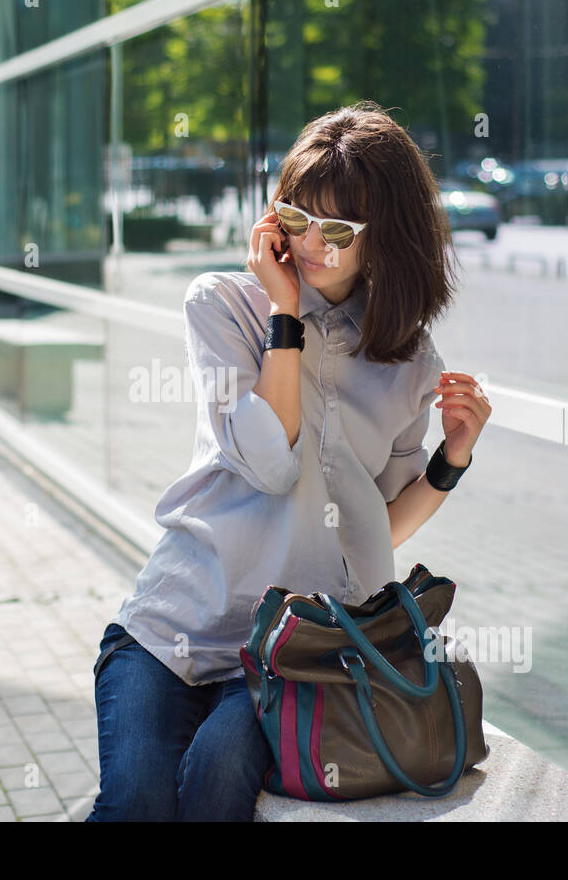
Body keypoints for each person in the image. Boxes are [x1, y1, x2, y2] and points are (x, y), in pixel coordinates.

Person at [85, 101, 492, 821]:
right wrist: (283, 315)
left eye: (338, 230)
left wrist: (450, 459)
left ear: (385, 240)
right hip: (175, 624)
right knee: (137, 802)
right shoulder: (222, 307)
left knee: (214, 784)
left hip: (295, 653)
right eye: (296, 216)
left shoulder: (408, 362)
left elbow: (382, 528)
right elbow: (270, 462)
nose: (309, 243)